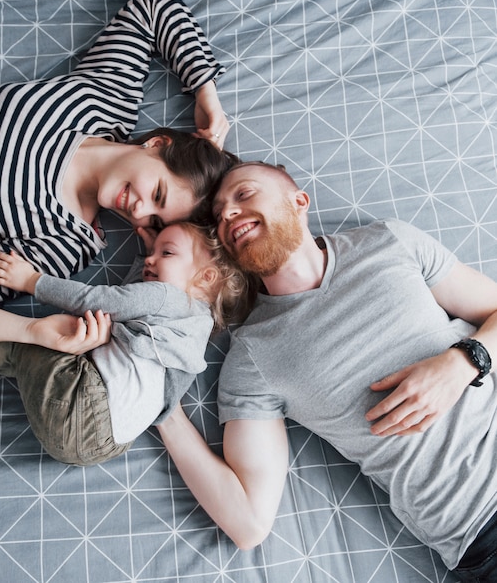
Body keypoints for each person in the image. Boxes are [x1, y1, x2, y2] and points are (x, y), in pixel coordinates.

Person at [155, 161, 497, 581]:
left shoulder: (389, 240)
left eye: (243, 195)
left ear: (298, 201)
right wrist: (162, 403)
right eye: (219, 215)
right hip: (478, 525)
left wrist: (463, 361)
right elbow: (247, 525)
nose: (227, 214)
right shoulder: (252, 357)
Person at [0, 0, 236, 352]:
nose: (139, 210)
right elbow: (153, 8)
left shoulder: (65, 243)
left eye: (154, 221)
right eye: (157, 193)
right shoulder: (103, 101)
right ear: (157, 145)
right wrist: (207, 95)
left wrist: (32, 331)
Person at [0, 222, 250, 465]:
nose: (152, 259)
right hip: (103, 446)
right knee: (35, 358)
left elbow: (100, 299)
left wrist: (32, 280)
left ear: (206, 277)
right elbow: (127, 302)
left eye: (166, 253)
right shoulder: (195, 333)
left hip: (85, 406)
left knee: (32, 345)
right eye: (153, 253)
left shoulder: (169, 299)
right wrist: (148, 257)